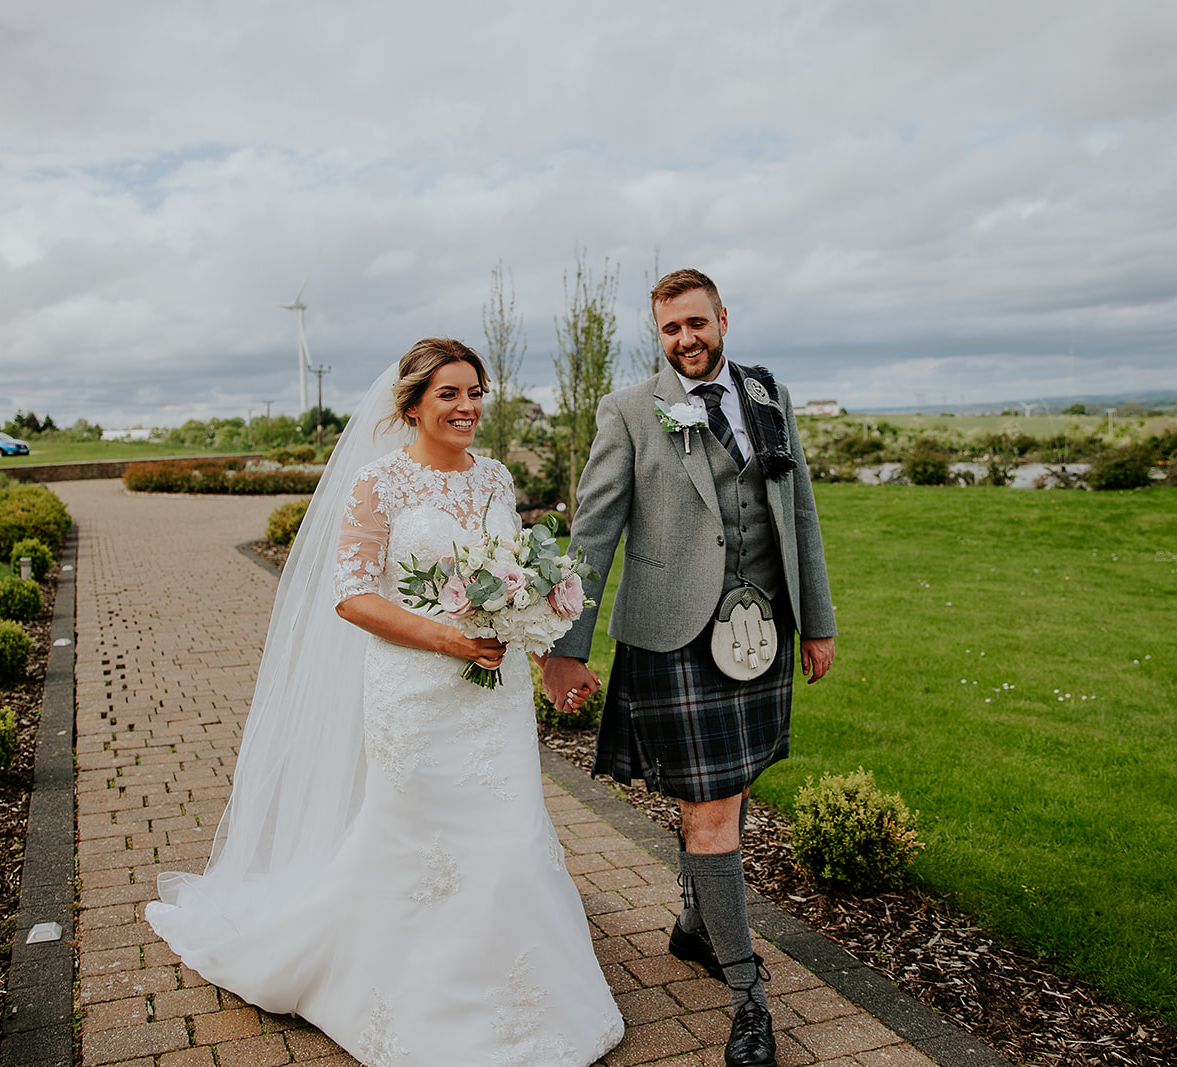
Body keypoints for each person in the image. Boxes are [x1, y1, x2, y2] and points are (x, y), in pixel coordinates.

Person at [147, 339, 623, 1067]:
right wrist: (447, 640)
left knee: (508, 833)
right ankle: (412, 999)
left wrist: (541, 642)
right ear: (411, 405)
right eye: (450, 395)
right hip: (415, 693)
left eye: (475, 393)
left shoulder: (494, 478)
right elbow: (352, 594)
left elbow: (511, 578)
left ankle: (522, 994)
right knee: (421, 839)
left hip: (495, 693)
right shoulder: (380, 484)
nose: (468, 407)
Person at [541, 269, 836, 1067]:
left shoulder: (769, 395)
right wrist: (567, 646)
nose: (686, 340)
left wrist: (818, 621)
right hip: (675, 636)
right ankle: (750, 998)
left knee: (728, 792)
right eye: (670, 329)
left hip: (762, 636)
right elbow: (593, 532)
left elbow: (798, 507)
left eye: (696, 323)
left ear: (723, 319)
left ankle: (697, 926)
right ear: (658, 333)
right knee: (711, 813)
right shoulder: (629, 411)